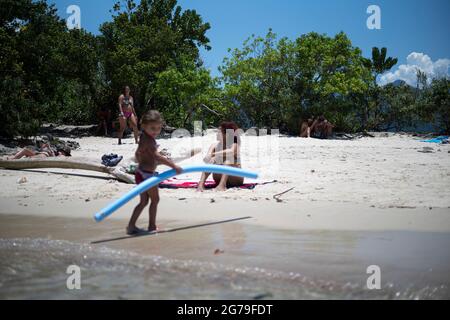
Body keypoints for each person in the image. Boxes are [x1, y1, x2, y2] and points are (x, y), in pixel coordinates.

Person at [126, 110, 183, 235]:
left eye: (158, 128)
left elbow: (138, 153)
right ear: (144, 126)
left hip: (141, 173)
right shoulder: (149, 140)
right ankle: (151, 226)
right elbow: (157, 156)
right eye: (152, 128)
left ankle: (131, 226)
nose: (156, 131)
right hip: (146, 175)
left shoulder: (144, 137)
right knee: (155, 200)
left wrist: (143, 160)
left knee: (144, 202)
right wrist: (174, 166)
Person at [197, 121, 244, 192]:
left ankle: (222, 185)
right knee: (212, 160)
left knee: (228, 160)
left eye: (219, 132)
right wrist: (209, 157)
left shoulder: (234, 144)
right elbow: (206, 160)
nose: (216, 134)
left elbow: (231, 152)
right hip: (218, 177)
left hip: (235, 179)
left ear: (226, 134)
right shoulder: (214, 145)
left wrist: (215, 154)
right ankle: (200, 185)